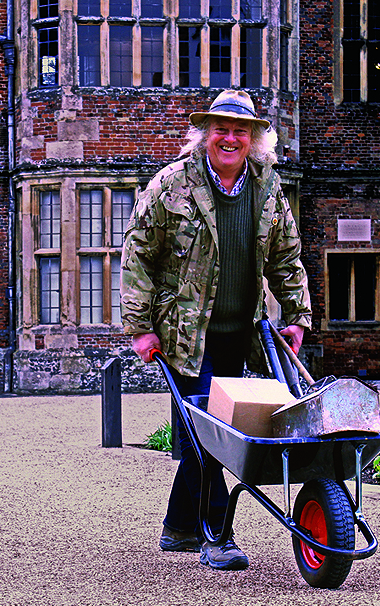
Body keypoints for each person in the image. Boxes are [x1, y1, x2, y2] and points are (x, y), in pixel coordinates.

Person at [120, 89, 312, 571]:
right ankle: (216, 537)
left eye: (240, 131)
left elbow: (286, 257)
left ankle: (178, 527)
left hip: (240, 333)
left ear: (254, 140)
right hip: (186, 337)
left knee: (213, 431)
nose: (230, 138)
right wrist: (141, 327)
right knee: (210, 436)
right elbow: (138, 254)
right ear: (205, 135)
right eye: (221, 129)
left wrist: (296, 317)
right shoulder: (172, 185)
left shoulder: (267, 187)